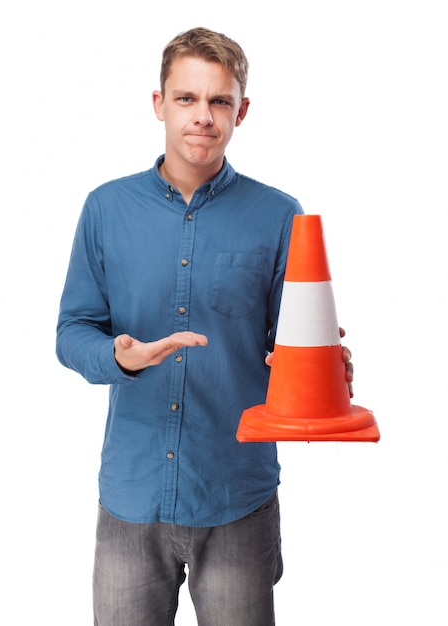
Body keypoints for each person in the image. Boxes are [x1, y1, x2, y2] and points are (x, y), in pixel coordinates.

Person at [56, 26, 354, 626]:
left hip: (235, 494)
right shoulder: (105, 209)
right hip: (131, 497)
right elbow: (72, 331)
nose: (203, 116)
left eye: (219, 100)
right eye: (187, 98)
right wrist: (120, 358)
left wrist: (323, 371)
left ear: (241, 111)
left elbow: (287, 346)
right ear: (158, 104)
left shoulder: (278, 215)